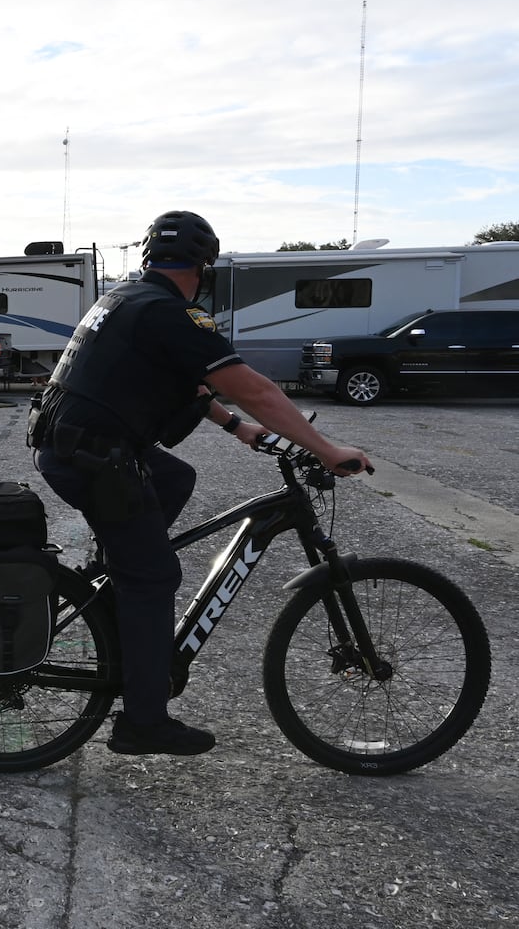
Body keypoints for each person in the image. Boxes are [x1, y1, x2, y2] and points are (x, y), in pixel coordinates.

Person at [31, 210, 372, 756]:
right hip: (93, 458)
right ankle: (143, 722)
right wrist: (328, 452)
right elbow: (254, 388)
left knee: (175, 477)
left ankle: (120, 582)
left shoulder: (128, 299)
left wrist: (240, 430)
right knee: (154, 576)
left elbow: (190, 382)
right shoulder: (170, 314)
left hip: (76, 448)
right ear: (204, 267)